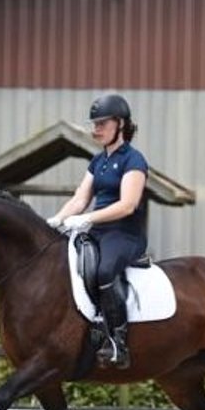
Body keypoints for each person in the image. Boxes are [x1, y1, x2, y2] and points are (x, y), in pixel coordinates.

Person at [47, 93, 148, 369]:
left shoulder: (134, 160)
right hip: (98, 230)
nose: (96, 129)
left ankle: (118, 341)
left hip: (125, 234)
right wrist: (58, 219)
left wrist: (88, 218)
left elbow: (127, 205)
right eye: (95, 124)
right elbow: (80, 198)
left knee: (103, 271)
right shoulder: (98, 160)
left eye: (103, 123)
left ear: (121, 124)